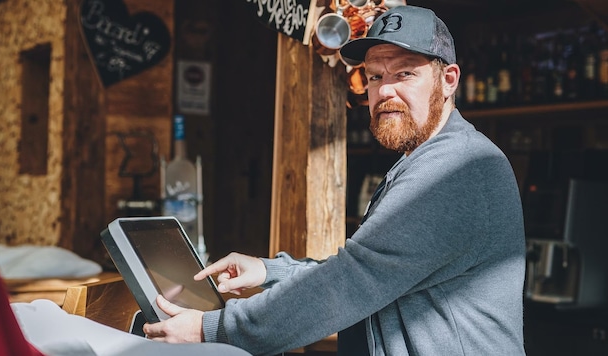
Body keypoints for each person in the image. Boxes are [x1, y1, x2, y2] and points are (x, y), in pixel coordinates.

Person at [143, 5, 527, 356]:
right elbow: (372, 272)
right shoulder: (427, 159)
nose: (386, 91)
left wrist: (211, 329)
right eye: (375, 76)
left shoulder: (458, 168)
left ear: (449, 79)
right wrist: (269, 271)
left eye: (405, 73)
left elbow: (350, 283)